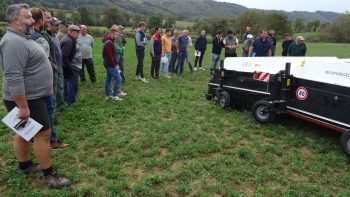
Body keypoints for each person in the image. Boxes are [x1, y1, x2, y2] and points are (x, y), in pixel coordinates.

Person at [0, 3, 70, 189]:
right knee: (43, 134)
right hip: (29, 98)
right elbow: (13, 76)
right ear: (16, 20)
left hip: (33, 95)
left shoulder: (22, 37)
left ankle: (24, 166)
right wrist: (23, 107)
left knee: (23, 132)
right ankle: (50, 175)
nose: (33, 20)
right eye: (28, 17)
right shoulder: (13, 42)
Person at [61, 25, 80, 106]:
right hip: (68, 65)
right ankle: (71, 101)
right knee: (71, 83)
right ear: (71, 32)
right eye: (77, 33)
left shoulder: (67, 38)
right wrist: (69, 68)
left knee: (66, 82)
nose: (78, 35)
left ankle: (65, 97)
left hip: (64, 65)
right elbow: (64, 56)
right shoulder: (69, 41)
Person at [102, 28, 123, 101]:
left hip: (108, 64)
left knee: (108, 78)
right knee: (119, 79)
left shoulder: (110, 41)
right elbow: (109, 56)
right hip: (110, 65)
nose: (117, 36)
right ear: (111, 34)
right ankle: (115, 95)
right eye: (116, 34)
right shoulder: (109, 43)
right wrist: (114, 65)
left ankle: (107, 95)